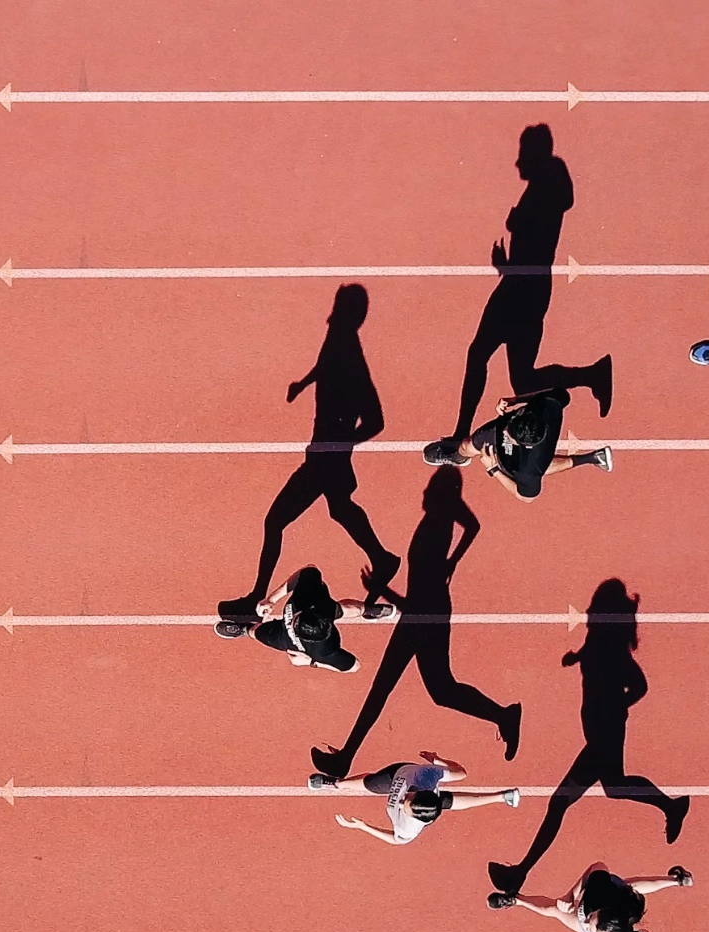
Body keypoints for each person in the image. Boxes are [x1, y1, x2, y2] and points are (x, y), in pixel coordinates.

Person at [309, 468, 522, 779]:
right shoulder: (441, 520)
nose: (424, 494)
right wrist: (451, 563)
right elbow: (472, 526)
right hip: (427, 612)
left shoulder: (436, 526)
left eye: (429, 489)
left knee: (388, 687)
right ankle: (503, 715)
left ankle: (345, 758)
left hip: (424, 615)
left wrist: (386, 590)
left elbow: (422, 595)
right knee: (440, 690)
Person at [487, 579, 690, 900]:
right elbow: (596, 658)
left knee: (559, 803)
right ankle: (672, 806)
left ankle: (519, 873)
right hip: (600, 732)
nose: (590, 611)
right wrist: (577, 658)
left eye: (595, 607)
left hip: (604, 736)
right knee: (615, 786)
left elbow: (639, 686)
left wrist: (615, 708)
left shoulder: (612, 650)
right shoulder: (598, 642)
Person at [423, 124, 612, 465]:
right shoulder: (547, 186)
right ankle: (591, 375)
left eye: (524, 153)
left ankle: (461, 441)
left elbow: (536, 229)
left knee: (480, 353)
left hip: (522, 288)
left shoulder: (544, 188)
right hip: (529, 285)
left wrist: (515, 231)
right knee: (520, 376)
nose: (518, 162)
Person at [219, 284, 401, 622]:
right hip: (324, 455)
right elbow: (325, 365)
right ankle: (382, 557)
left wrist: (340, 446)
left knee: (275, 521)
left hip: (323, 459)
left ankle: (256, 601)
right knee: (341, 509)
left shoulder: (349, 353)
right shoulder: (338, 341)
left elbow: (376, 421)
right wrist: (304, 384)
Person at [424, 389, 613, 499]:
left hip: (515, 462)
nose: (505, 430)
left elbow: (525, 496)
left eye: (510, 433)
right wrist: (516, 400)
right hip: (532, 451)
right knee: (467, 444)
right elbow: (560, 393)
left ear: (524, 444)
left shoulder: (529, 467)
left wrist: (493, 469)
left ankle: (591, 459)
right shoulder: (549, 405)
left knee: (537, 470)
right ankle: (459, 457)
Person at [312, 752, 519, 845]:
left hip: (423, 800)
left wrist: (362, 826)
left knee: (448, 802)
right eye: (408, 798)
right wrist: (439, 761)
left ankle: (502, 797)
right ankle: (337, 783)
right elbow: (461, 773)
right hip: (399, 773)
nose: (401, 801)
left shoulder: (409, 828)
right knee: (370, 783)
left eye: (405, 805)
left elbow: (394, 840)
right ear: (423, 791)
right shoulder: (426, 775)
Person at [488, 862, 693, 932]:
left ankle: (515, 900)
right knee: (630, 886)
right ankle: (677, 880)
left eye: (590, 925)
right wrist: (570, 896)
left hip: (616, 920)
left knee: (553, 911)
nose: (585, 921)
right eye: (592, 918)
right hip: (614, 892)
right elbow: (597, 866)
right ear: (601, 910)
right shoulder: (599, 892)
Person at [215, 565, 394, 672]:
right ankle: (369, 610)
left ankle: (245, 630)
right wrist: (271, 599)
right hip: (317, 621)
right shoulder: (310, 598)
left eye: (293, 620)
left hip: (287, 641)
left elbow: (354, 667)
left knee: (256, 632)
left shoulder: (325, 652)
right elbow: (308, 570)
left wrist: (311, 662)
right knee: (345, 608)